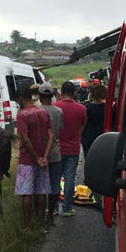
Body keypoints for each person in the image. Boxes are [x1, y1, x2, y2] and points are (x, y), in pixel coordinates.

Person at [15, 87, 53, 229]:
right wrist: (45, 156)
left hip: (27, 160)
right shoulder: (43, 112)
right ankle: (41, 223)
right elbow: (51, 136)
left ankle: (27, 226)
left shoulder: (22, 115)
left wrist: (36, 157)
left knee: (27, 193)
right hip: (43, 159)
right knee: (42, 191)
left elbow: (25, 139)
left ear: (20, 98)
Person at [53, 81, 86, 217]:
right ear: (74, 93)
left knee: (55, 178)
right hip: (73, 148)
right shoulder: (82, 109)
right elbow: (82, 128)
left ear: (61, 92)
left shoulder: (55, 107)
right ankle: (67, 208)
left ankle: (53, 207)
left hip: (56, 149)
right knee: (69, 178)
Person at [38, 83, 63, 225]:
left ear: (40, 96)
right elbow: (60, 130)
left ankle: (40, 215)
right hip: (55, 152)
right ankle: (51, 215)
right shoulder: (59, 112)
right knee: (54, 185)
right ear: (52, 96)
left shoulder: (35, 110)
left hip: (39, 153)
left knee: (40, 185)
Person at [82, 83, 107, 157]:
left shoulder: (87, 107)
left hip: (89, 136)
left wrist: (80, 135)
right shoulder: (107, 108)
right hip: (103, 135)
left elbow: (84, 123)